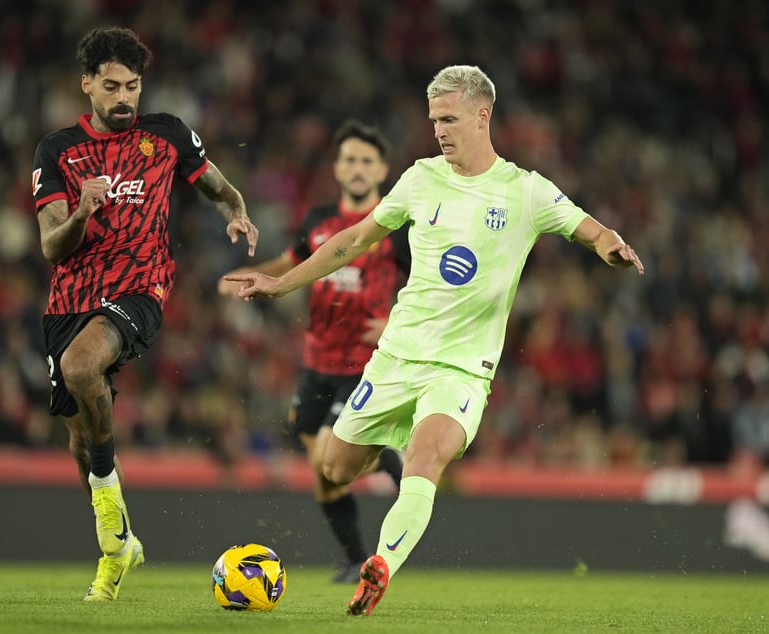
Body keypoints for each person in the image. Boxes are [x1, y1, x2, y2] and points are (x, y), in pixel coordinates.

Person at [225, 64, 645, 616]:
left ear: (482, 114)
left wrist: (610, 247)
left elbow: (591, 228)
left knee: (426, 458)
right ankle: (384, 453)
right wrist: (283, 282)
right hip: (396, 358)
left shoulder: (526, 191)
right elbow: (354, 239)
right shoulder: (421, 178)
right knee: (333, 467)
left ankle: (381, 566)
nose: (439, 130)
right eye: (433, 121)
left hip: (462, 369)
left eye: (448, 119)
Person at [31, 26, 258, 602]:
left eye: (132, 86)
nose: (124, 97)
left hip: (140, 287)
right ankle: (119, 545)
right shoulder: (57, 151)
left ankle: (110, 510)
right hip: (69, 298)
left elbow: (219, 188)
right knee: (81, 445)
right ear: (86, 85)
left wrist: (237, 211)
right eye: (111, 87)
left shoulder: (167, 135)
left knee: (84, 367)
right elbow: (52, 247)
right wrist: (82, 210)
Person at [219, 120, 408, 583]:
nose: (358, 167)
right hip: (316, 364)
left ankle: (389, 456)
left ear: (382, 168)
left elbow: (431, 282)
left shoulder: (396, 224)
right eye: (350, 159)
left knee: (329, 454)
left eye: (367, 160)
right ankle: (353, 559)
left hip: (364, 367)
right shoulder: (317, 220)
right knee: (323, 474)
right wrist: (251, 275)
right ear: (338, 168)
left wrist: (394, 321)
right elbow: (293, 262)